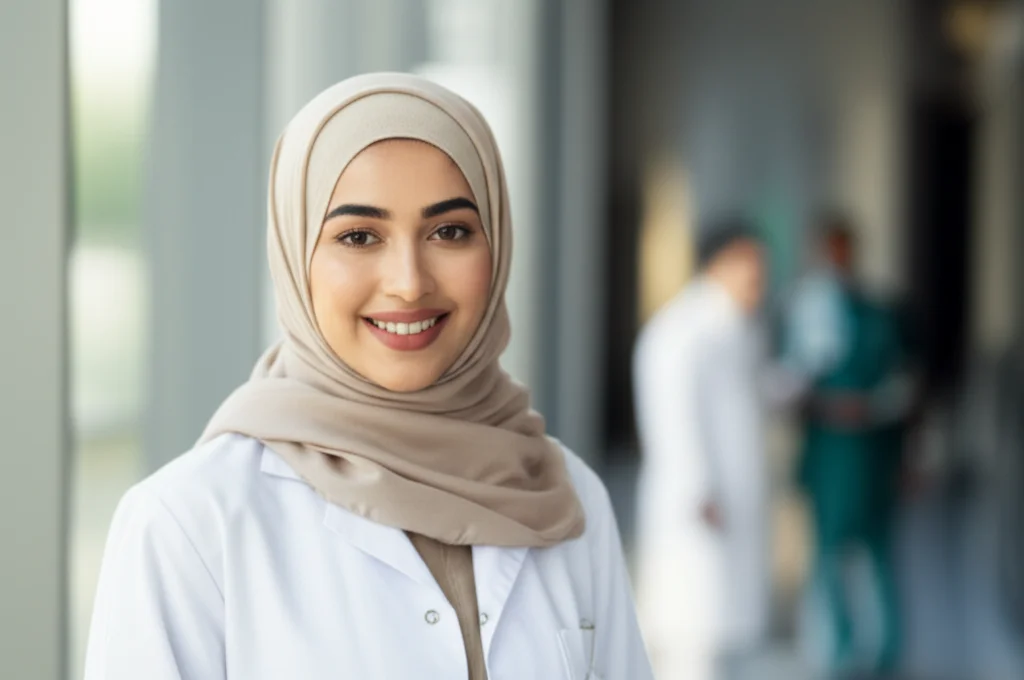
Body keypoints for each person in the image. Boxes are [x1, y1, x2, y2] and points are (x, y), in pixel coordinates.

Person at [83, 72, 653, 679]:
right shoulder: (188, 523)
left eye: (450, 231)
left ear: (498, 243)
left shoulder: (563, 494)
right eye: (358, 236)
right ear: (294, 252)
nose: (409, 281)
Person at [633, 219, 770, 680]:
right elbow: (671, 420)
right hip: (700, 510)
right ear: (721, 263)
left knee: (726, 637)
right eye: (750, 266)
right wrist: (698, 490)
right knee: (691, 641)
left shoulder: (739, 329)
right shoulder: (683, 330)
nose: (758, 279)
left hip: (733, 505)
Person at [785, 213, 912, 673]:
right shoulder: (803, 313)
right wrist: (820, 403)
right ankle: (838, 652)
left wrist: (870, 409)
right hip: (828, 455)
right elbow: (788, 384)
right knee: (828, 557)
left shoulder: (881, 314)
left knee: (879, 556)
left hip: (874, 454)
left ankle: (885, 655)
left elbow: (906, 384)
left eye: (842, 251)